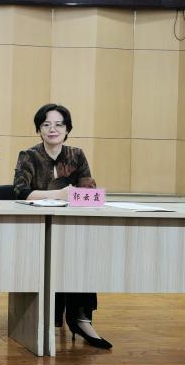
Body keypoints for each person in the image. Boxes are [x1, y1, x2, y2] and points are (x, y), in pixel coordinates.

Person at [12, 103, 112, 349]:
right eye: (46, 124)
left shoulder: (76, 155)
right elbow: (20, 191)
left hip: (71, 227)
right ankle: (45, 319)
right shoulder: (29, 155)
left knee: (82, 256)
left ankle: (81, 319)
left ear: (67, 129)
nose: (52, 129)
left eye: (59, 124)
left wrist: (74, 195)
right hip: (35, 230)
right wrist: (58, 195)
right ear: (39, 130)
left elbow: (90, 193)